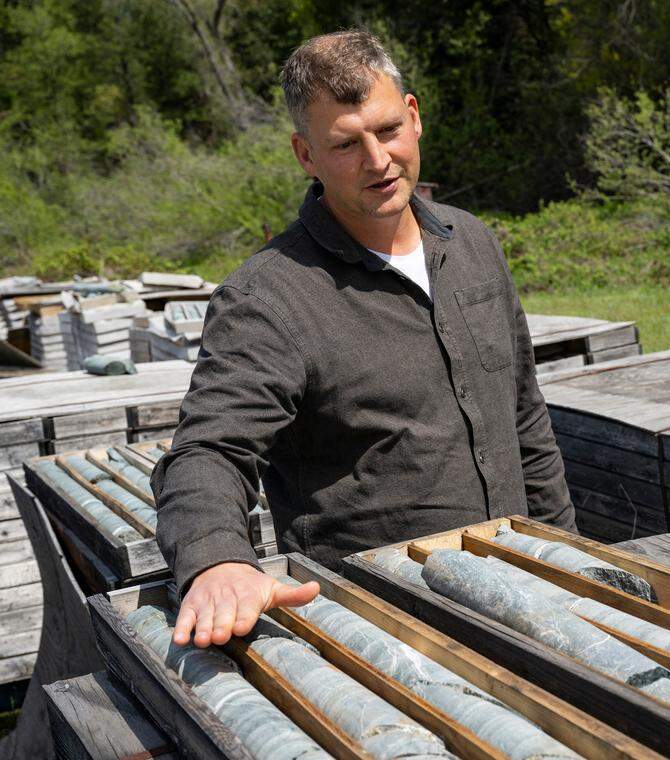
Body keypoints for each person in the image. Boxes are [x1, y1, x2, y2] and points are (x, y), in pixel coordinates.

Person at [152, 29, 576, 650]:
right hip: (387, 634)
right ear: (305, 154)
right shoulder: (269, 300)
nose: (377, 161)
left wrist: (565, 552)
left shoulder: (473, 245)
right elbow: (208, 451)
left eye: (386, 131)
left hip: (524, 593)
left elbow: (524, 416)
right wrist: (217, 560)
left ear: (414, 115)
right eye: (346, 145)